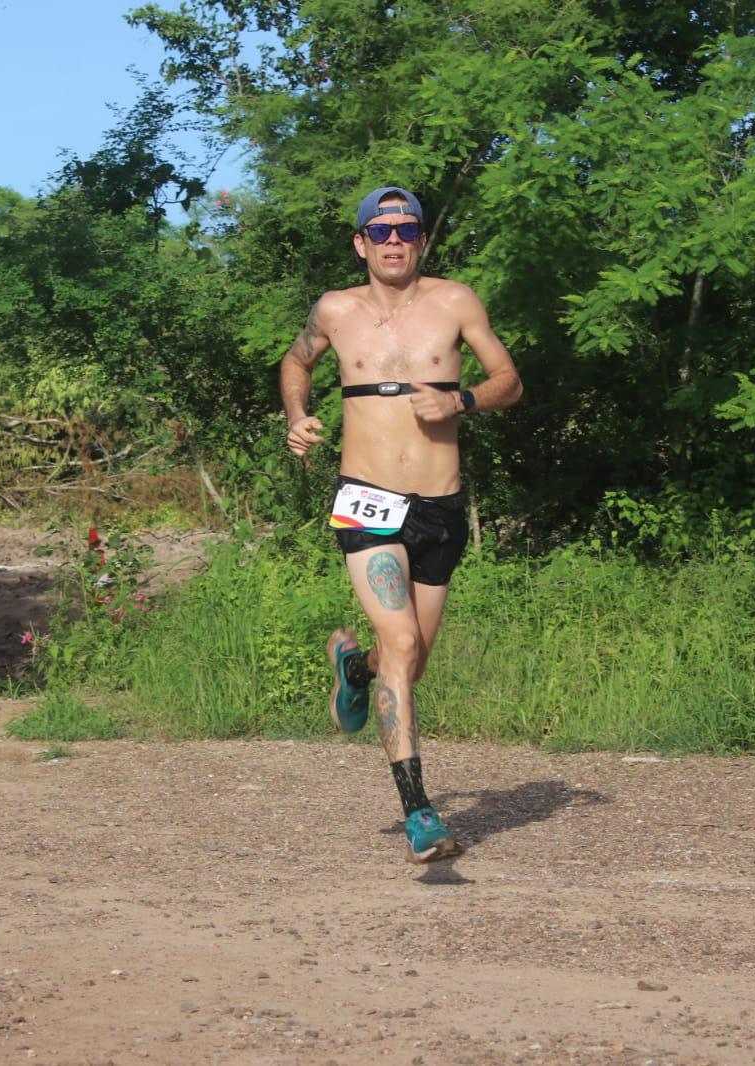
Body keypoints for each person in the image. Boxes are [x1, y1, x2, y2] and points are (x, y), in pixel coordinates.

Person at [280, 186, 523, 862]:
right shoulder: (336, 309)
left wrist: (463, 398)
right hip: (367, 501)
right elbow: (295, 361)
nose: (393, 240)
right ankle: (420, 811)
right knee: (403, 640)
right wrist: (296, 416)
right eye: (380, 231)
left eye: (406, 230)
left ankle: (353, 668)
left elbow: (510, 380)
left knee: (408, 662)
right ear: (360, 243)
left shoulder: (455, 302)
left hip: (439, 506)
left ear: (420, 241)